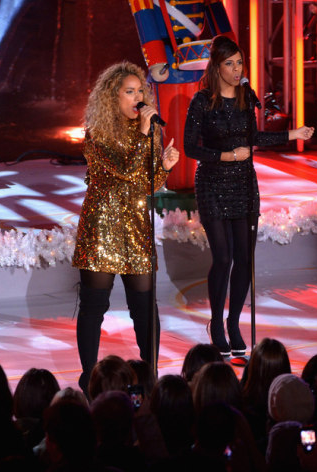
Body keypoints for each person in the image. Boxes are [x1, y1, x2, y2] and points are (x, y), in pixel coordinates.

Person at [184, 35, 313, 359]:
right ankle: (215, 323)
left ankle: (233, 322)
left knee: (244, 259)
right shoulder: (201, 101)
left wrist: (291, 134)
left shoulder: (246, 97)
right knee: (224, 258)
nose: (236, 69)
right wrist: (225, 156)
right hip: (213, 183)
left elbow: (254, 137)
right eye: (230, 63)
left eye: (239, 62)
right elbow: (190, 147)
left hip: (243, 184)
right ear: (216, 67)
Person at [72, 61, 180, 393]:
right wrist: (145, 138)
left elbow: (145, 183)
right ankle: (89, 376)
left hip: (135, 225)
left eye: (140, 91)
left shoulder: (148, 130)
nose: (137, 97)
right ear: (112, 97)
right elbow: (122, 171)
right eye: (129, 92)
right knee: (94, 306)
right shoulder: (97, 132)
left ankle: (150, 376)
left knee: (145, 307)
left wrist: (164, 167)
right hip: (102, 226)